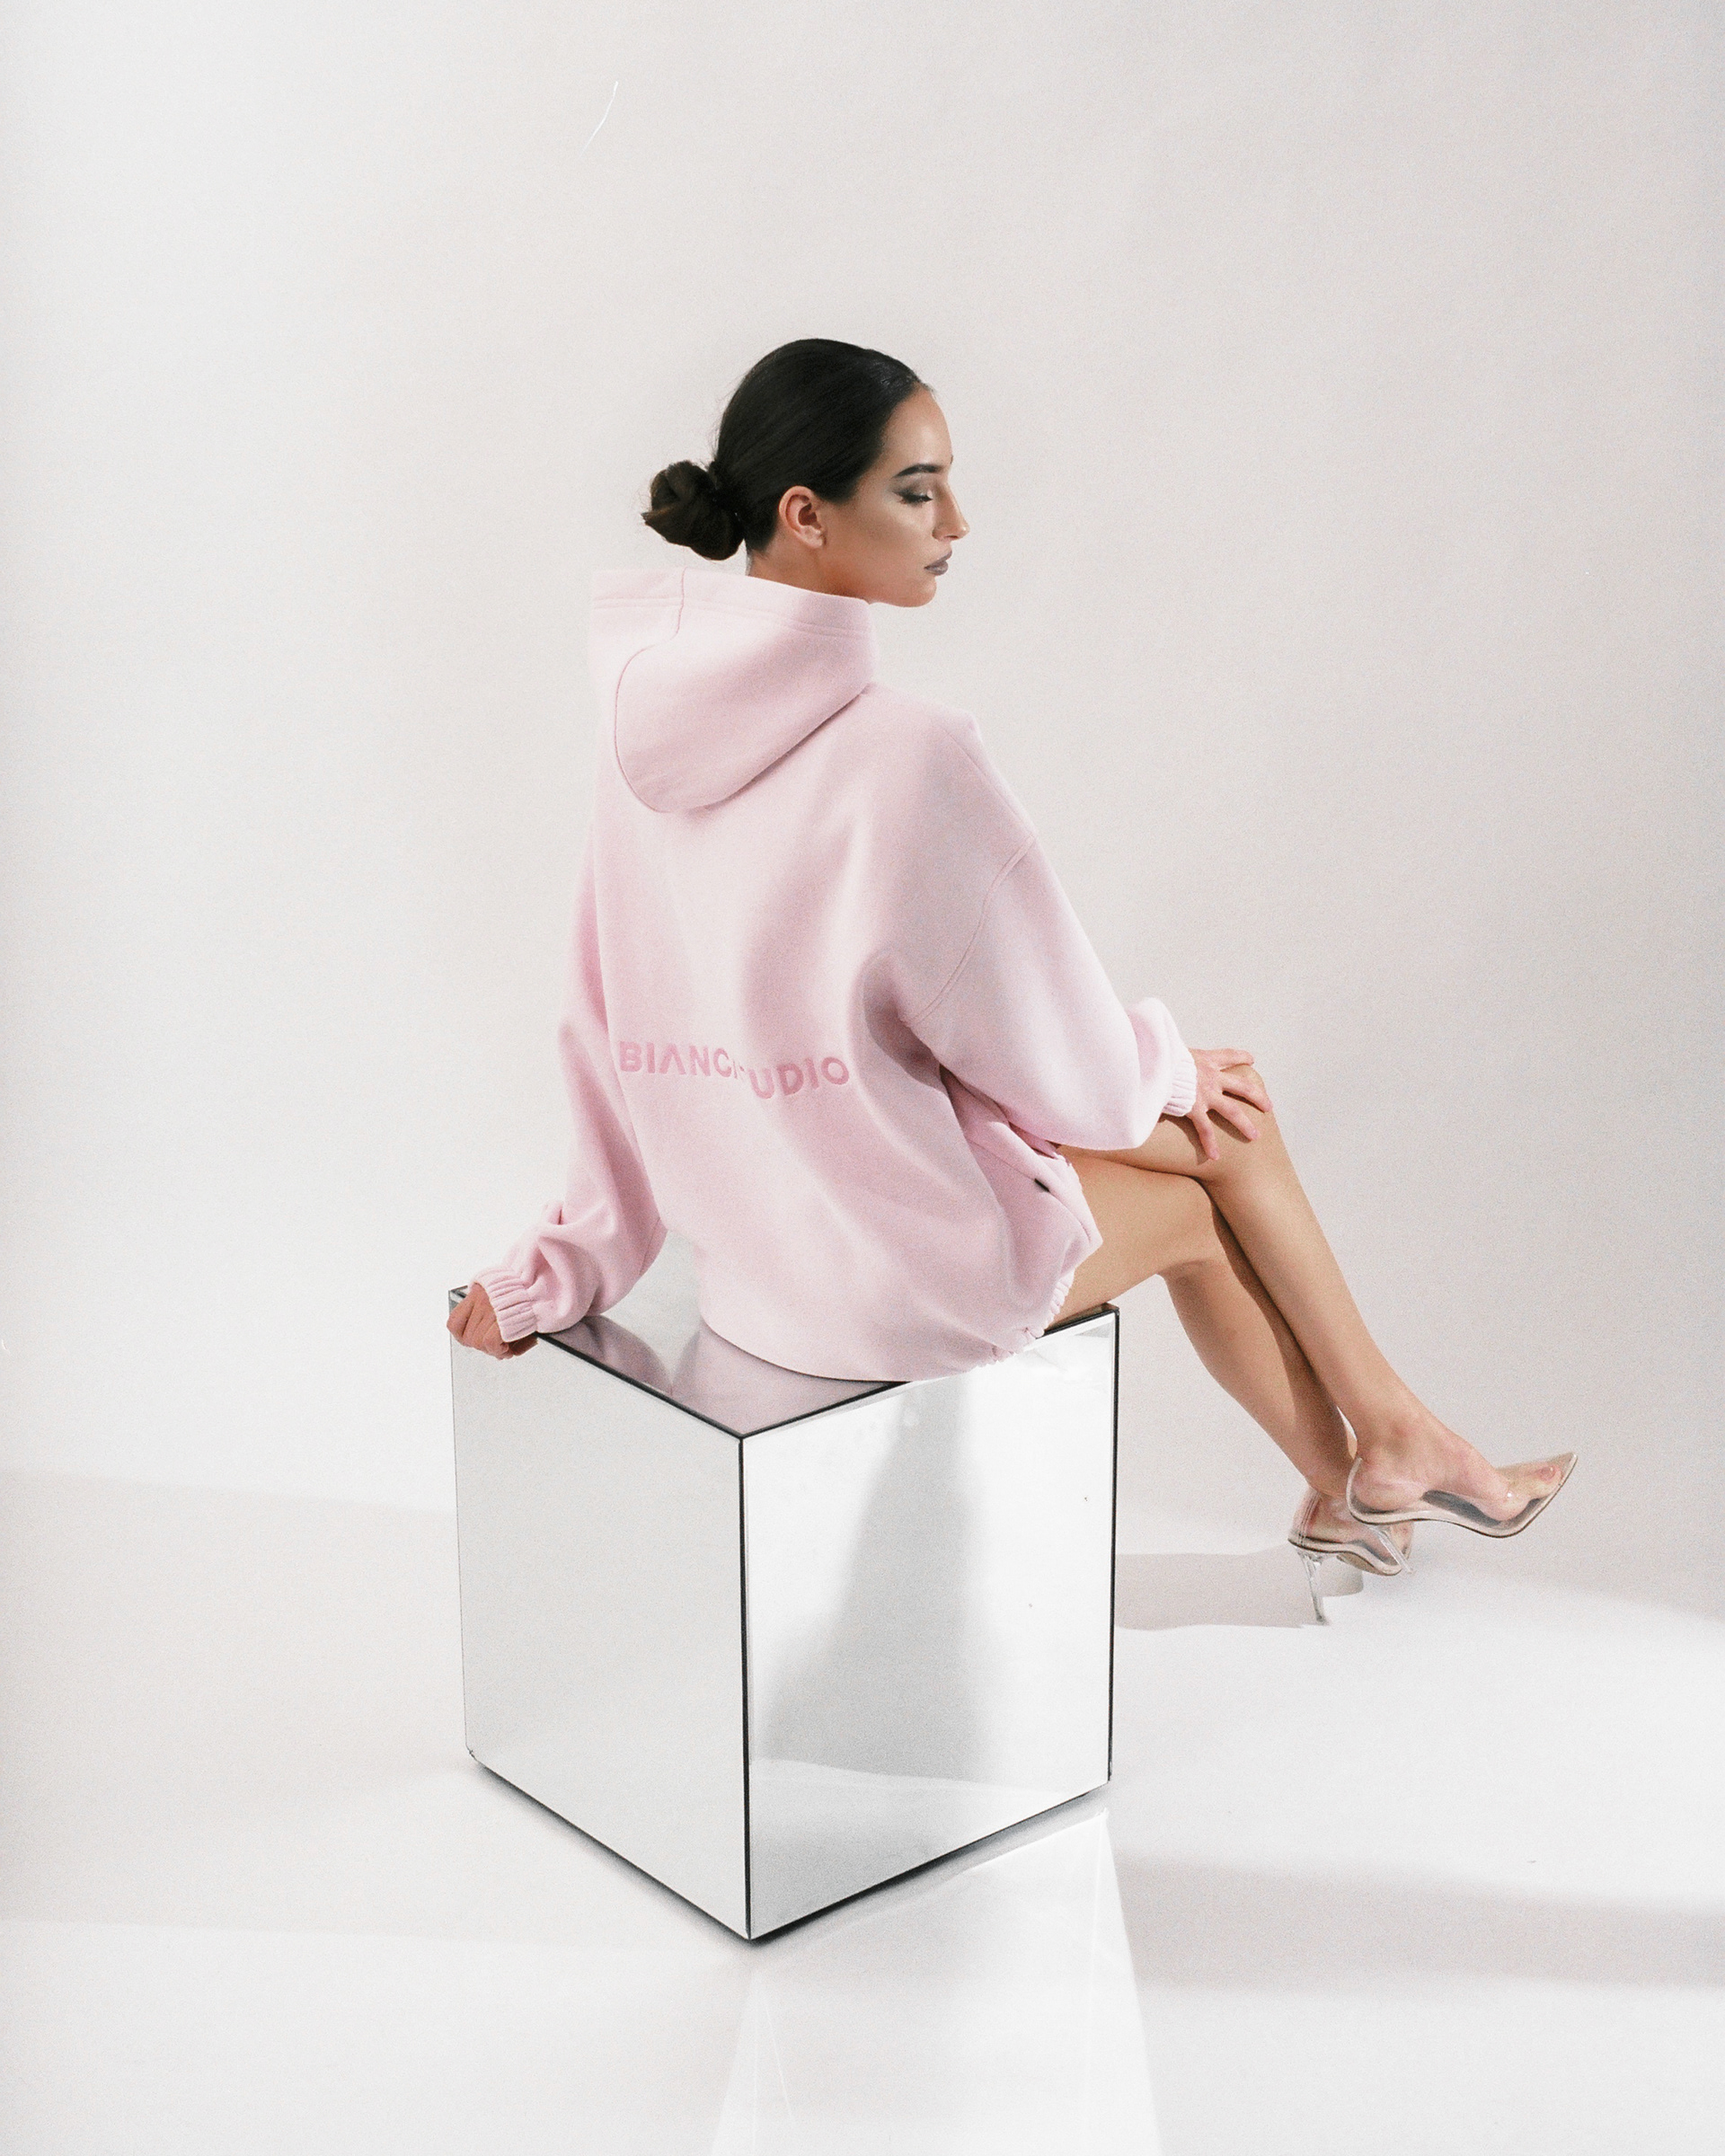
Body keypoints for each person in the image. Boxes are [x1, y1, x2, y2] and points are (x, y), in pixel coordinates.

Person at [447, 338, 1573, 1586]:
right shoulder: (910, 754)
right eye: (917, 490)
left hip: (751, 1268)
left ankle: (1383, 1464)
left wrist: (559, 1268)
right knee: (1209, 1178)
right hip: (888, 1284)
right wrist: (1159, 1069)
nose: (957, 523)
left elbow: (605, 1032)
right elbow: (1049, 1055)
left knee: (1220, 1125)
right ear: (807, 515)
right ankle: (1380, 1461)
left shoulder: (637, 750)